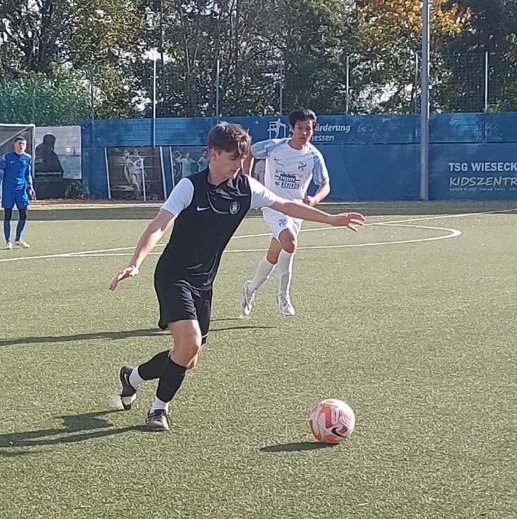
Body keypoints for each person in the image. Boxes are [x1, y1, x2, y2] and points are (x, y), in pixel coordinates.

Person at [108, 122, 365, 432]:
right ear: (213, 154)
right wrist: (135, 263)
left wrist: (332, 219)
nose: (239, 165)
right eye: (233, 158)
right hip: (173, 276)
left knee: (189, 356)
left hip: (204, 281)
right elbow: (159, 225)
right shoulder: (190, 187)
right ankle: (158, 410)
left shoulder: (245, 188)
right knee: (189, 344)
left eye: (242, 158)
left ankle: (133, 376)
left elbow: (286, 205)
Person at [240, 109, 329, 317]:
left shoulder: (314, 156)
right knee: (290, 242)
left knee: (274, 255)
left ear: (313, 131)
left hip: (296, 210)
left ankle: (250, 288)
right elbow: (250, 152)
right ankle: (283, 296)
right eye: (299, 128)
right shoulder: (274, 146)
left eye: (308, 129)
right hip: (272, 205)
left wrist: (314, 199)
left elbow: (325, 184)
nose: (303, 133)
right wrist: (247, 179)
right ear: (291, 128)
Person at [0, 137, 35, 249]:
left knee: (24, 214)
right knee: (8, 215)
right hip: (8, 189)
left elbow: (27, 173)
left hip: (21, 190)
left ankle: (18, 239)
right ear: (14, 145)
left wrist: (30, 186)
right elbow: (0, 173)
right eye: (19, 143)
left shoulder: (27, 158)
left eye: (23, 144)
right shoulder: (7, 157)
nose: (21, 146)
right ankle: (8, 241)